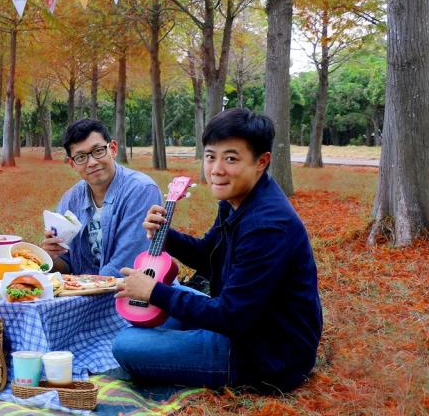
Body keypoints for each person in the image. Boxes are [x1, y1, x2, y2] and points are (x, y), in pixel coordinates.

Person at [112, 109, 322, 392]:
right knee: (166, 297)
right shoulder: (237, 200)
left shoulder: (268, 225)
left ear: (262, 162)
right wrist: (166, 235)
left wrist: (154, 292)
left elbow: (231, 316)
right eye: (211, 156)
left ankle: (183, 347)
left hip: (264, 355)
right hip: (243, 322)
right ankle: (182, 341)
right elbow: (207, 256)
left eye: (231, 158)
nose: (216, 169)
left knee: (126, 344)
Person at [40, 119, 161, 277]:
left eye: (98, 151)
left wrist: (81, 288)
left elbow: (125, 266)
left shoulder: (141, 191)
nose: (92, 162)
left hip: (131, 295)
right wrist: (49, 258)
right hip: (83, 292)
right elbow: (66, 263)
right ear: (72, 164)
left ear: (113, 149)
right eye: (81, 157)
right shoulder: (70, 201)